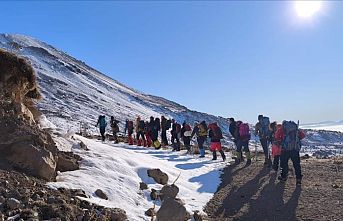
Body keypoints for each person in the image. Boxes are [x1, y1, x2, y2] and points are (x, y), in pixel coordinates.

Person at [275, 120, 305, 185]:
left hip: (284, 149)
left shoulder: (282, 128)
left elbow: (277, 136)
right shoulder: (295, 129)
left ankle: (283, 177)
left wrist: (281, 140)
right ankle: (298, 179)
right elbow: (303, 135)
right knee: (296, 165)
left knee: (284, 164)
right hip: (294, 149)